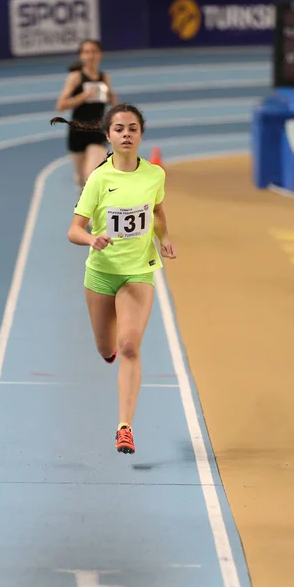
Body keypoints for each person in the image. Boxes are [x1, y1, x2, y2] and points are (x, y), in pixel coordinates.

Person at [51, 104, 176, 455]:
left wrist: (164, 237)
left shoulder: (154, 175)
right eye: (119, 128)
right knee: (107, 348)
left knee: (130, 346)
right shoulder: (99, 179)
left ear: (140, 134)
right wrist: (92, 239)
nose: (126, 134)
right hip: (101, 274)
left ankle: (124, 427)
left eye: (132, 128)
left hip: (138, 272)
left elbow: (158, 211)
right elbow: (74, 229)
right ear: (108, 135)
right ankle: (107, 352)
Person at [55, 39, 118, 190]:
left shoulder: (105, 77)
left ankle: (92, 208)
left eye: (94, 52)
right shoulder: (76, 77)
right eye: (87, 52)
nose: (91, 56)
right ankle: (82, 192)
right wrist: (83, 96)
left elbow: (113, 101)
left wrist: (111, 97)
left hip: (97, 130)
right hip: (77, 131)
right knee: (81, 178)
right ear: (81, 56)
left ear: (100, 55)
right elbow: (60, 106)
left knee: (91, 175)